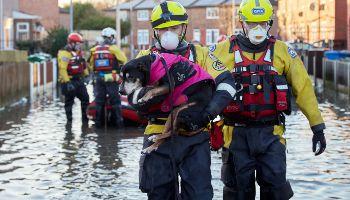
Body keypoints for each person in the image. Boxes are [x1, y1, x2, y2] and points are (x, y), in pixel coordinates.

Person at [204, 0, 327, 199]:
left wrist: (317, 127)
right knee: (237, 192)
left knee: (276, 190)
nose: (257, 29)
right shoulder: (220, 51)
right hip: (234, 134)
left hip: (271, 134)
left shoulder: (283, 52)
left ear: (270, 23)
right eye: (252, 24)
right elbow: (200, 80)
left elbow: (304, 89)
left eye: (262, 24)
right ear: (242, 22)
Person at [135, 1, 236, 199]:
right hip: (158, 134)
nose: (169, 33)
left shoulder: (202, 54)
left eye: (174, 28)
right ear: (155, 31)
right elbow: (132, 94)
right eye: (163, 29)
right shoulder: (145, 57)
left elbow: (227, 84)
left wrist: (207, 113)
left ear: (184, 27)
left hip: (195, 135)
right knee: (159, 194)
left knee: (200, 195)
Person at [88, 27, 127, 128]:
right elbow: (124, 60)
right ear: (112, 37)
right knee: (116, 102)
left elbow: (91, 65)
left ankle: (98, 126)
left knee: (99, 102)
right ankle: (118, 125)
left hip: (98, 79)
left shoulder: (94, 49)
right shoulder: (113, 48)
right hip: (111, 78)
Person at [58, 33, 89, 122]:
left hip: (78, 80)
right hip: (68, 81)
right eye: (78, 44)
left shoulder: (78, 53)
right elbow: (62, 69)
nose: (79, 46)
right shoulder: (64, 53)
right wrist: (68, 82)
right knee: (69, 102)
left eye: (80, 44)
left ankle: (85, 120)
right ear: (72, 43)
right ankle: (69, 122)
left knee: (85, 98)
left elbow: (83, 65)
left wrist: (86, 75)